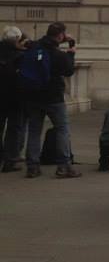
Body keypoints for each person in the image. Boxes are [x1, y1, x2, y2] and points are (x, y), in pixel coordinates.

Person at [21, 22, 81, 179]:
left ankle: (32, 167)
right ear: (61, 35)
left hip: (33, 95)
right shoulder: (58, 54)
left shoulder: (35, 46)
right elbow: (68, 70)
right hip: (54, 97)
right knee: (62, 130)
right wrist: (71, 51)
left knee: (34, 131)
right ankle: (64, 166)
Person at [1, 26, 26, 171]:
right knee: (14, 129)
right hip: (15, 97)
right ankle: (10, 160)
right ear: (17, 39)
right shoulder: (20, 55)